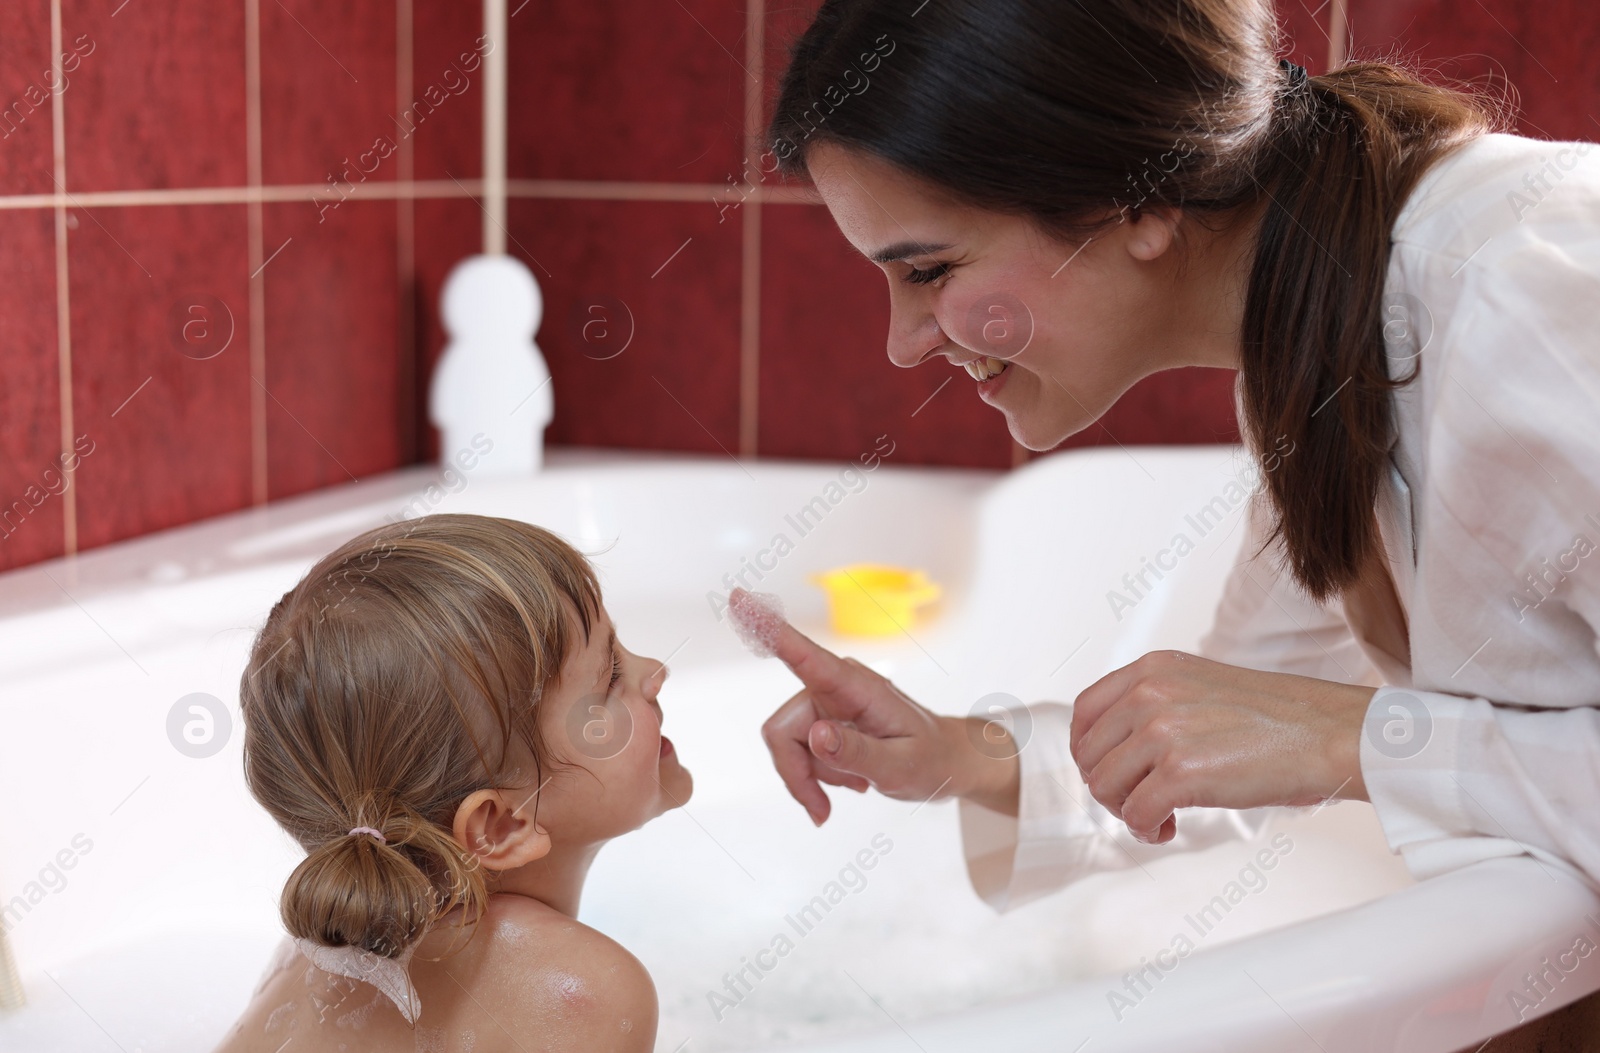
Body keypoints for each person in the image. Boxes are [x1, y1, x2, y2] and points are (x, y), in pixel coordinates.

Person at [754, 0, 1600, 909]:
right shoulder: (1316, 333)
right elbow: (1244, 728)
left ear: (1138, 199)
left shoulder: (1525, 304)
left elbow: (1309, 729)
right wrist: (961, 756)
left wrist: (1357, 739)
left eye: (929, 271)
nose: (902, 342)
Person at [214, 515, 688, 1050]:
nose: (655, 672)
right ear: (501, 825)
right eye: (612, 681)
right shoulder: (579, 992)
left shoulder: (307, 961)